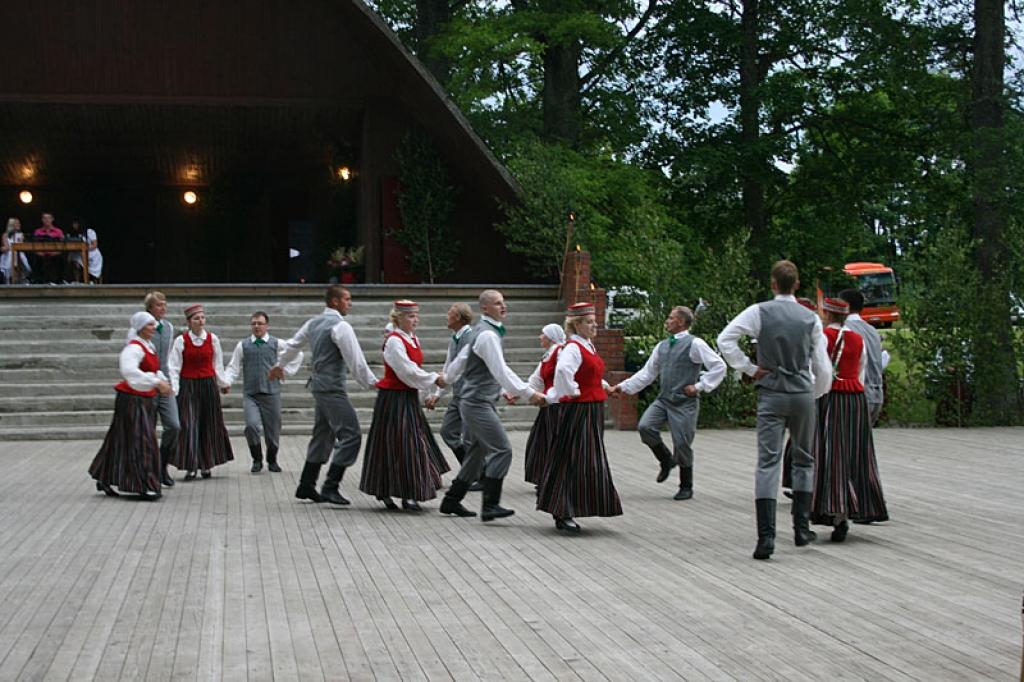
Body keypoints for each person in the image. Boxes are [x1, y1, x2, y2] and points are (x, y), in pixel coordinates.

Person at [717, 260, 832, 561]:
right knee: (804, 459)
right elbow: (822, 364)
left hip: (771, 391)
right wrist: (815, 392)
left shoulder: (759, 312)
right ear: (796, 285)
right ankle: (801, 528)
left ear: (772, 284)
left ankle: (766, 537)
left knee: (768, 461)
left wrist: (750, 368)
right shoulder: (811, 318)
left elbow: (725, 339)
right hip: (802, 391)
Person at [438, 289, 546, 520]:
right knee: (502, 450)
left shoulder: (481, 331)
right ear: (485, 308)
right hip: (477, 402)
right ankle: (490, 505)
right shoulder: (486, 335)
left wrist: (445, 380)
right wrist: (529, 393)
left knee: (475, 455)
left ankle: (451, 501)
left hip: (476, 400)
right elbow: (500, 370)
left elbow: (462, 361)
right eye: (497, 303)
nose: (503, 306)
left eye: (503, 302)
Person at [270, 285, 378, 505]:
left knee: (323, 434)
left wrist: (279, 364)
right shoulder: (341, 326)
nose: (350, 303)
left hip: (319, 386)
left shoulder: (313, 323)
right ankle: (330, 486)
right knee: (351, 435)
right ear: (335, 301)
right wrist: (373, 383)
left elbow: (292, 345)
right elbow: (355, 360)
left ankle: (306, 485)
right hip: (331, 388)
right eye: (347, 299)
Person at [610, 306, 726, 500]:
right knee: (645, 427)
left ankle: (686, 485)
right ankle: (665, 459)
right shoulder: (662, 346)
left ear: (681, 322)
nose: (667, 321)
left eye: (671, 318)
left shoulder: (695, 344)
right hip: (664, 399)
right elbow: (647, 373)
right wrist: (622, 387)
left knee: (682, 442)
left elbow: (719, 366)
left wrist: (699, 386)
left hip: (685, 402)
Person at [536, 302, 622, 533]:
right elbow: (564, 372)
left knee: (586, 460)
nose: (594, 325)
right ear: (576, 324)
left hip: (591, 409)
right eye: (589, 322)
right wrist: (572, 391)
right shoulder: (573, 347)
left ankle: (570, 507)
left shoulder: (587, 345)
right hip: (579, 411)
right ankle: (562, 510)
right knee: (573, 459)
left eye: (594, 321)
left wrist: (605, 386)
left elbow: (589, 375)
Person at [811, 297, 889, 541]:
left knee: (831, 454)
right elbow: (861, 371)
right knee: (856, 453)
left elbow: (819, 369)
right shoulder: (858, 339)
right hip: (855, 399)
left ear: (828, 314)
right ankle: (858, 505)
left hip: (831, 397)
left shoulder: (823, 337)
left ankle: (834, 510)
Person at [359, 300, 449, 510]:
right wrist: (434, 378)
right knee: (400, 444)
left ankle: (407, 492)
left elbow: (415, 369)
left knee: (410, 443)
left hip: (407, 397)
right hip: (393, 399)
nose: (415, 320)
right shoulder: (393, 341)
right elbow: (406, 370)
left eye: (416, 316)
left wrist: (426, 392)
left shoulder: (413, 339)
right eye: (410, 316)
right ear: (398, 317)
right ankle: (401, 492)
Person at [88, 311, 172, 499]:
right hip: (132, 400)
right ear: (141, 328)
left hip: (145, 399)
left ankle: (105, 476)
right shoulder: (133, 349)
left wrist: (162, 381)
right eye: (150, 325)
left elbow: (155, 369)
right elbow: (129, 372)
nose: (154, 329)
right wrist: (155, 382)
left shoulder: (147, 346)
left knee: (120, 439)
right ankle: (143, 484)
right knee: (142, 441)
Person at [223, 311, 302, 473]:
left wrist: (284, 371)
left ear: (267, 325)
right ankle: (256, 459)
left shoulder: (276, 343)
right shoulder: (243, 345)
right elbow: (233, 367)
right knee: (251, 426)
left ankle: (272, 460)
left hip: (271, 393)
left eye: (260, 323)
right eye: (254, 323)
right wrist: (226, 382)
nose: (257, 326)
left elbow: (297, 353)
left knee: (273, 430)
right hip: (251, 394)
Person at [168, 304, 234, 479]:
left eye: (202, 317)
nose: (200, 321)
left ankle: (206, 464)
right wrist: (175, 390)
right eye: (196, 318)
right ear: (189, 322)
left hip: (208, 386)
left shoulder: (213, 339)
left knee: (209, 423)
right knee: (189, 424)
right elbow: (174, 367)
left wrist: (223, 383)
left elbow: (217, 365)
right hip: (188, 385)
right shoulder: (181, 341)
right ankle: (191, 465)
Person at [425, 303, 475, 467]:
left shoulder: (471, 337)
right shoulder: (454, 338)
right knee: (448, 431)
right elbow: (448, 367)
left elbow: (462, 368)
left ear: (458, 317)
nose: (447, 316)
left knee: (470, 437)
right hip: (458, 394)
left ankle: (477, 475)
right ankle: (470, 468)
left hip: (470, 395)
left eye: (450, 314)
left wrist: (444, 379)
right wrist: (437, 394)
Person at [144, 292, 181, 488]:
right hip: (147, 384)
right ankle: (149, 470)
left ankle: (162, 465)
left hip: (165, 383)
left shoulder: (168, 327)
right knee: (147, 429)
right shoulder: (141, 329)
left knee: (174, 425)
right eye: (159, 305)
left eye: (165, 304)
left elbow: (168, 358)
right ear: (150, 308)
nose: (163, 308)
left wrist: (171, 382)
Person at [523, 323, 566, 487]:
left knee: (552, 443)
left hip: (558, 405)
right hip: (548, 406)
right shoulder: (548, 355)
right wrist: (521, 393)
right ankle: (544, 477)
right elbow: (536, 379)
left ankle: (551, 478)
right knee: (540, 442)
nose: (540, 337)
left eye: (543, 334)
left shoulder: (561, 352)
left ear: (551, 337)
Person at [838, 288, 889, 425]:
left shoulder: (845, 330)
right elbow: (882, 359)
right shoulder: (873, 331)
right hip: (876, 393)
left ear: (845, 306)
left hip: (856, 394)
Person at [65, 218, 103, 283]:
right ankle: (76, 281)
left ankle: (92, 280)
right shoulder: (72, 233)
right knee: (73, 258)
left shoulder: (90, 232)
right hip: (79, 253)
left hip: (92, 254)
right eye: (73, 224)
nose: (74, 226)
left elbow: (94, 245)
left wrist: (86, 248)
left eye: (76, 224)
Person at [32, 212, 64, 283]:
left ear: (52, 219)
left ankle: (58, 281)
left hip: (55, 254)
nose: (47, 220)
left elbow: (63, 246)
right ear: (42, 220)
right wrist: (39, 252)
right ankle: (38, 280)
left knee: (60, 258)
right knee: (35, 258)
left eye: (48, 218)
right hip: (41, 254)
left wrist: (55, 253)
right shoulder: (37, 232)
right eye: (44, 218)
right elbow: (34, 246)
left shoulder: (58, 231)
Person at [0, 218, 31, 284]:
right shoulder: (5, 235)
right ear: (12, 225)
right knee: (9, 264)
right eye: (17, 223)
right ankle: (8, 282)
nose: (19, 224)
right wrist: (4, 248)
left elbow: (21, 245)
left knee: (22, 265)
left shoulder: (21, 234)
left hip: (19, 253)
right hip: (9, 254)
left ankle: (21, 280)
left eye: (19, 223)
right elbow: (6, 247)